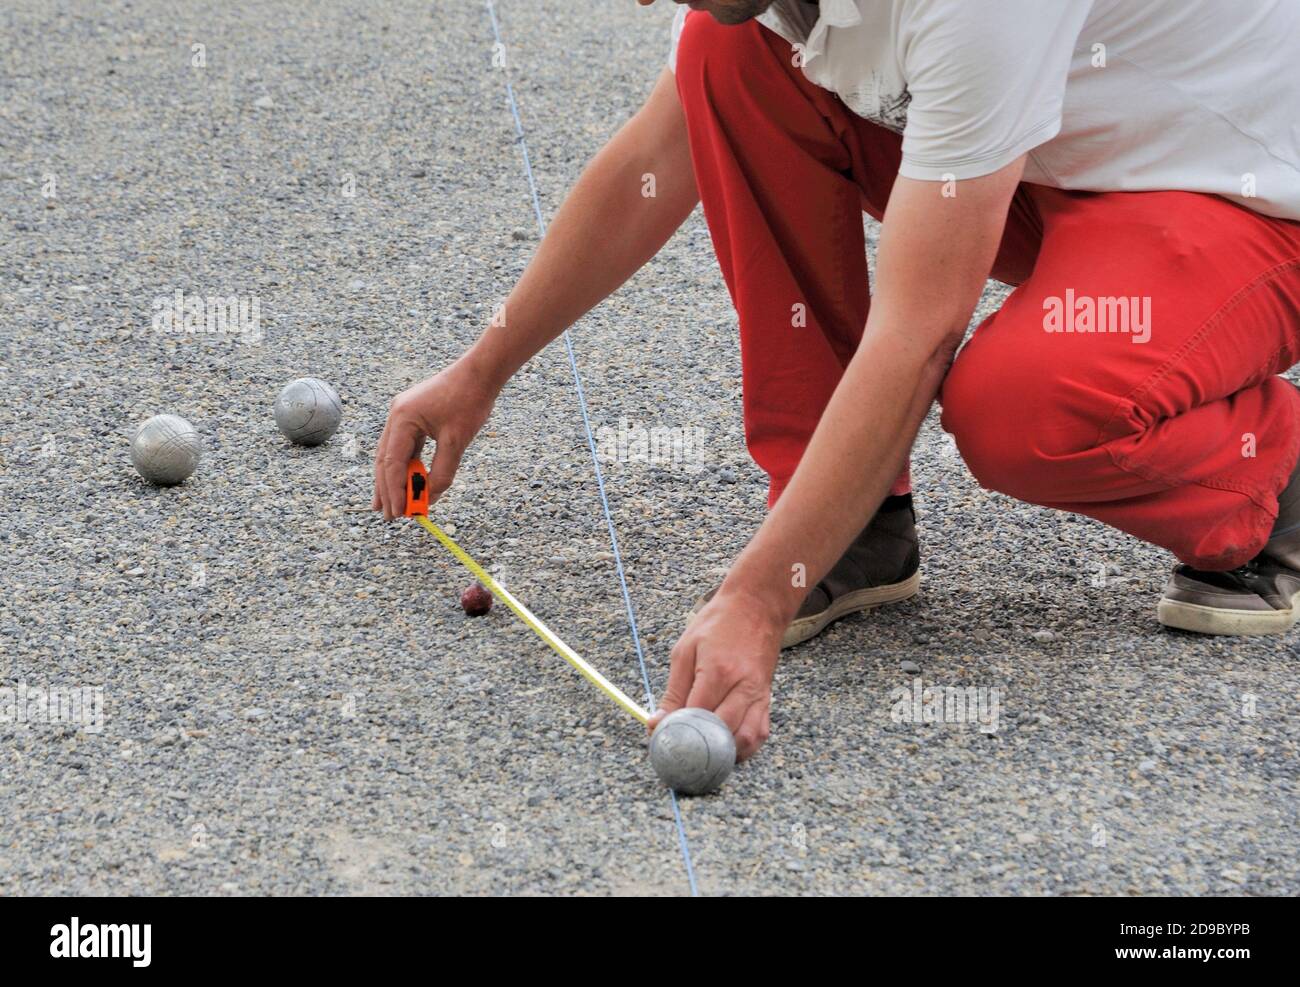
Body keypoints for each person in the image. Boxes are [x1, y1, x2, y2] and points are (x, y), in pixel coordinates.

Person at [374, 0, 1300, 761]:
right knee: (724, 57)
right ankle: (846, 527)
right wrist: (482, 369)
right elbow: (659, 159)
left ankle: (1277, 483)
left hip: (1237, 195)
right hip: (1056, 150)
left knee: (1020, 408)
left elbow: (920, 330)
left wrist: (756, 598)